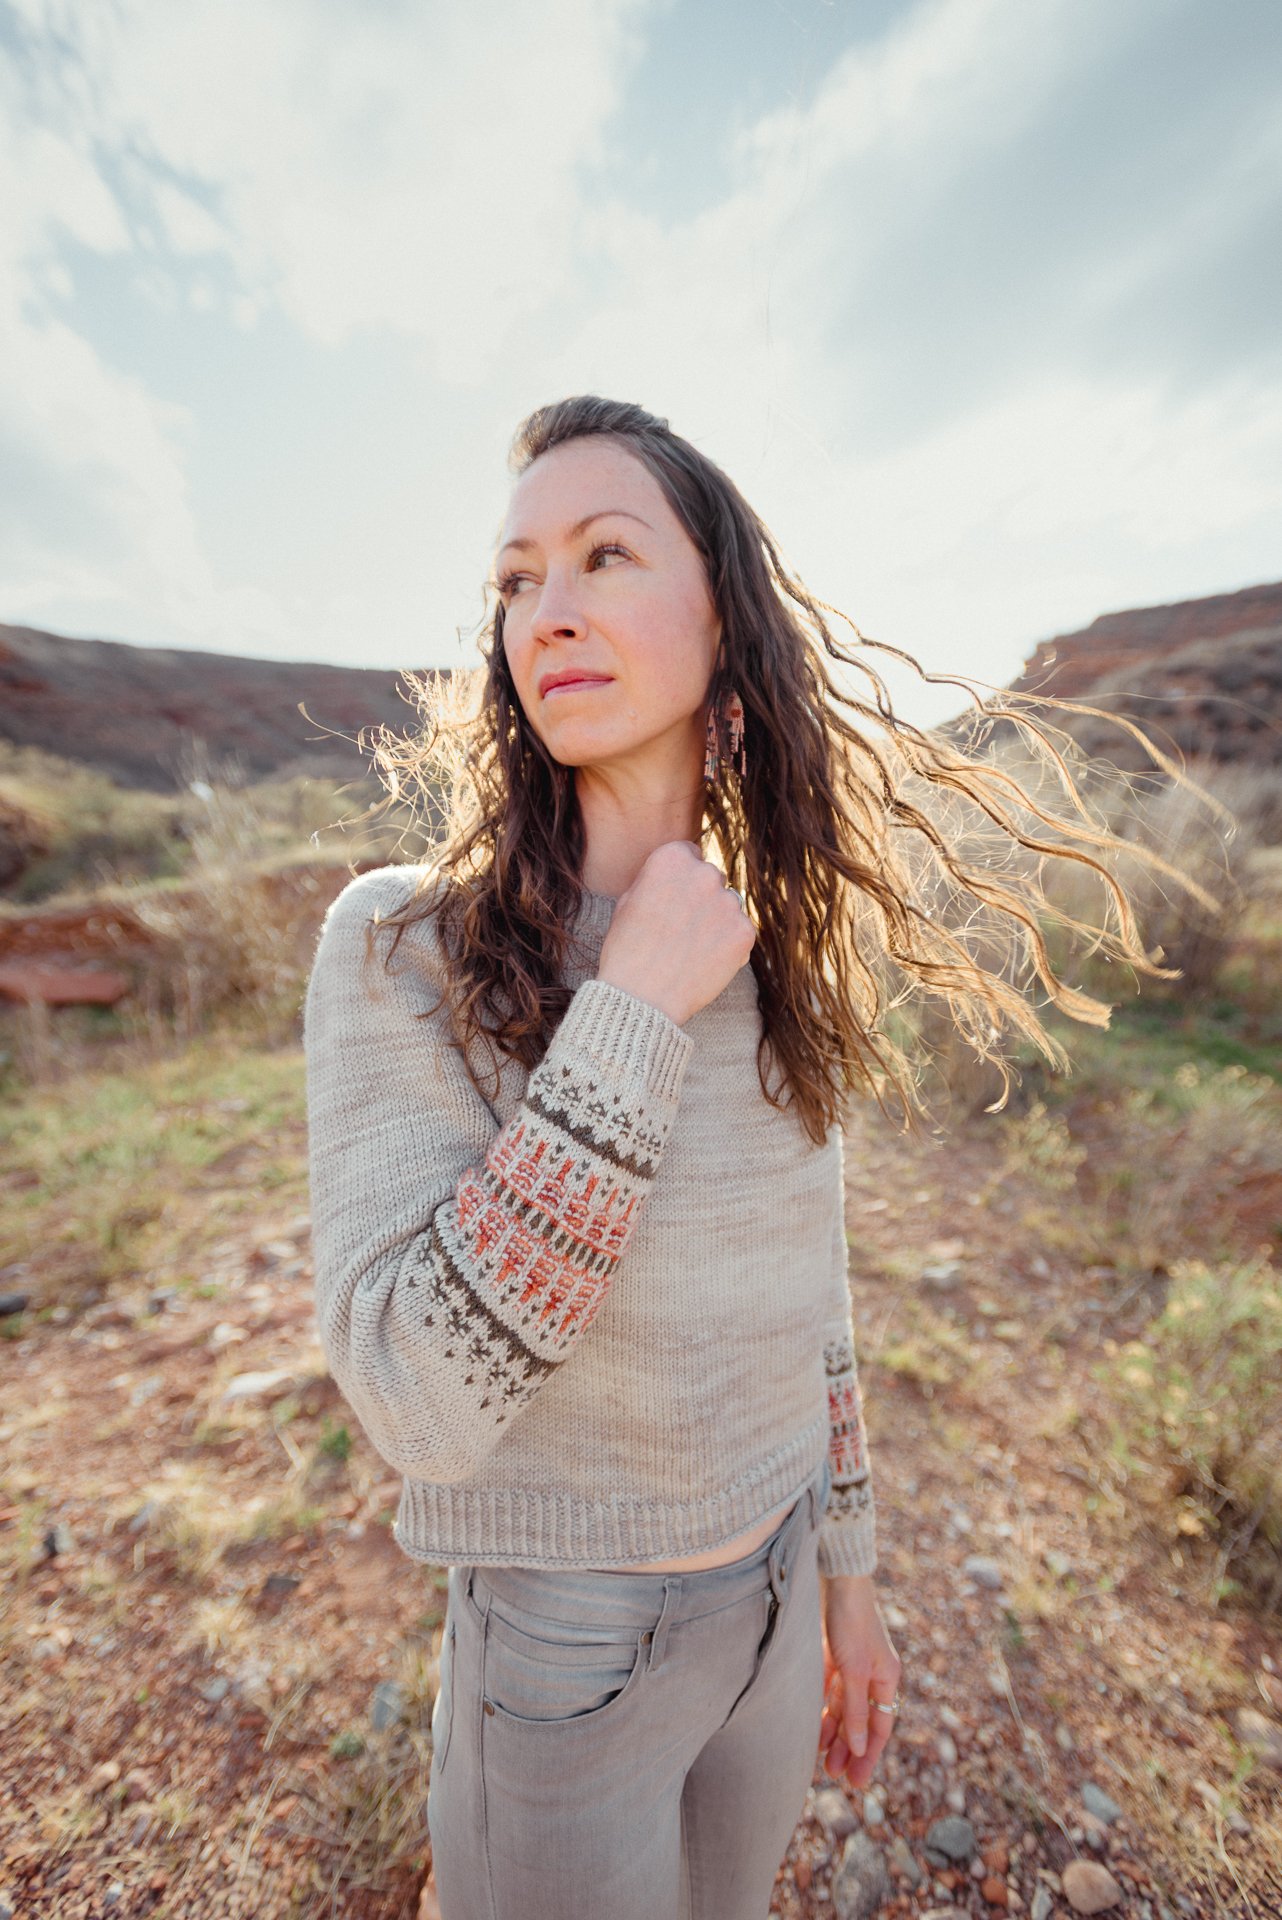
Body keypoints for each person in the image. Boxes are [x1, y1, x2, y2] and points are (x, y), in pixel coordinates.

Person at [302, 395, 1193, 1920]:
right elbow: (410, 1396)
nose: (547, 610)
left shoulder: (775, 957)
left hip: (777, 1605)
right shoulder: (405, 946)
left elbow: (811, 1301)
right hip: (565, 1649)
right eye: (516, 578)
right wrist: (631, 1012)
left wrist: (847, 1576)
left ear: (724, 621)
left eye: (602, 555)